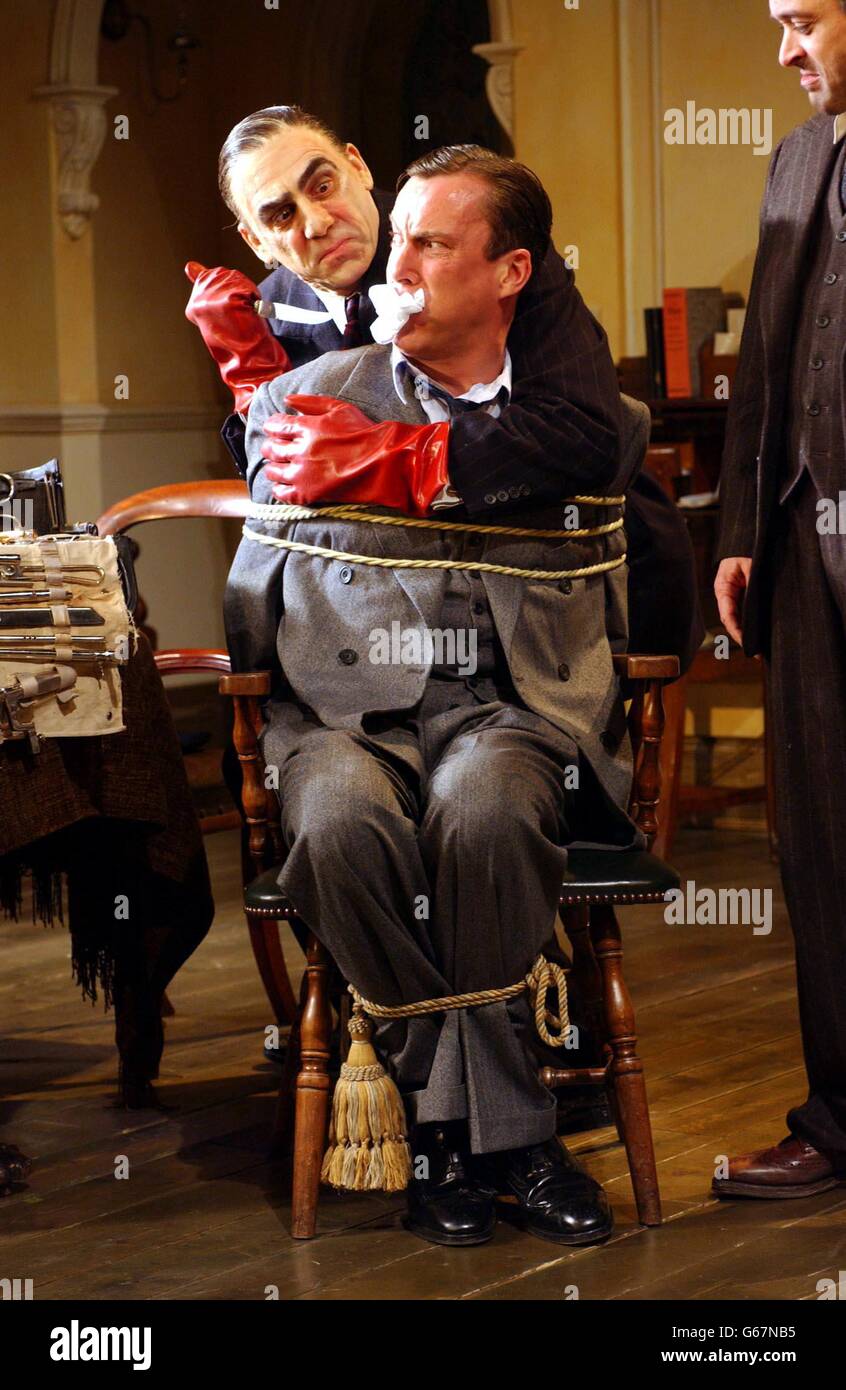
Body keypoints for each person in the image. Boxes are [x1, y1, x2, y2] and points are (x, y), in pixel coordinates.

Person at [225, 144, 647, 1249]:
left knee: (490, 807)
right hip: (341, 710)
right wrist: (289, 707)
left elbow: (629, 565)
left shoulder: (575, 424)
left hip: (509, 707)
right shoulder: (301, 401)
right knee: (334, 817)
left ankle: (448, 1143)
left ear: (510, 274)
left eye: (429, 243)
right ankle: (506, 1131)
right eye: (398, 232)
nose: (391, 264)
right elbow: (252, 598)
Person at [186, 104, 703, 675]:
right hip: (391, 617)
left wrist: (406, 458)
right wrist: (252, 376)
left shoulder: (483, 242)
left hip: (569, 563)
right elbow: (283, 504)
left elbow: (579, 430)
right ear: (255, 241)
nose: (316, 222)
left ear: (357, 166)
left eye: (324, 185)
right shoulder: (270, 309)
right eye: (281, 215)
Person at [714, 0, 846, 1199]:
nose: (784, 49)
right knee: (818, 841)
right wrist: (744, 529)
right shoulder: (798, 157)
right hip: (807, 544)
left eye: (803, 19)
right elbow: (766, 352)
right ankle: (838, 1119)